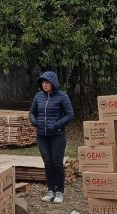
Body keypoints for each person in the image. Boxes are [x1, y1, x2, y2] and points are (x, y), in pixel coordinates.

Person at [29, 71, 74, 204]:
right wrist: (34, 121)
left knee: (57, 163)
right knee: (47, 163)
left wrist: (57, 124)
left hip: (57, 136)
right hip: (42, 136)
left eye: (47, 82)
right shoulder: (38, 96)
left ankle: (59, 192)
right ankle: (50, 190)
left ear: (53, 83)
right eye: (43, 82)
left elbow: (70, 114)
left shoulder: (62, 96)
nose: (44, 85)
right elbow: (32, 112)